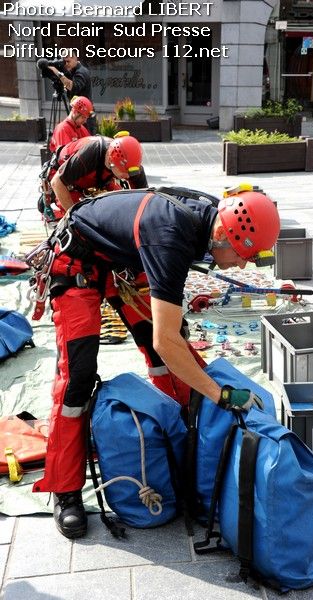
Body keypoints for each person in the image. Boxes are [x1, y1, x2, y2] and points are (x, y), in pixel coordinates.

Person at [28, 187, 280, 538]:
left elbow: (166, 335)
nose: (242, 265)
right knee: (77, 379)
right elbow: (167, 340)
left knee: (168, 350)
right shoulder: (171, 237)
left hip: (123, 261)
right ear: (223, 234)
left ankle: (186, 447)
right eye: (240, 256)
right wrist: (219, 394)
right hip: (77, 260)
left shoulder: (209, 216)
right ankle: (65, 489)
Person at [49, 133, 148, 216]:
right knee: (80, 221)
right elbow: (56, 182)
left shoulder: (131, 165)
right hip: (67, 182)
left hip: (99, 180)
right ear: (110, 161)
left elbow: (143, 200)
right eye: (124, 172)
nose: (128, 176)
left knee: (119, 209)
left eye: (130, 172)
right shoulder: (91, 154)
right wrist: (74, 216)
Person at [47, 49, 96, 134]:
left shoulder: (81, 72)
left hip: (84, 117)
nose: (66, 64)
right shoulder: (71, 71)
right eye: (64, 62)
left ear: (75, 58)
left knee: (85, 143)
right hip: (79, 115)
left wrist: (57, 73)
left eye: (68, 61)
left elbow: (73, 87)